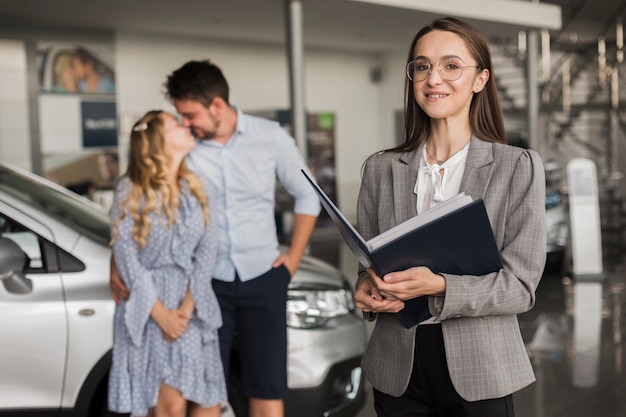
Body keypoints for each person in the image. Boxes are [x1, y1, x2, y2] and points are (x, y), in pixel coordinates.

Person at [354, 17, 546, 417]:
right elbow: (369, 263)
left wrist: (439, 286)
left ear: (480, 79)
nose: (433, 78)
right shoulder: (380, 168)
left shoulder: (517, 167)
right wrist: (367, 293)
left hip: (481, 369)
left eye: (451, 65)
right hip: (396, 370)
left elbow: (520, 287)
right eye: (422, 66)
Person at [111, 60, 321, 417]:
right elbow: (138, 210)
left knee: (266, 386)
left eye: (189, 115)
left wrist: (293, 260)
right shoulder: (184, 150)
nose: (186, 123)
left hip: (263, 276)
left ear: (217, 106)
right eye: (180, 118)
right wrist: (116, 264)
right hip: (202, 285)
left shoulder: (270, 136)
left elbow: (308, 195)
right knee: (203, 389)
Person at [108, 110, 226, 417]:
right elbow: (127, 258)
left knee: (208, 403)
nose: (186, 124)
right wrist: (161, 314)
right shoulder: (129, 190)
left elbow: (207, 253)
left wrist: (186, 309)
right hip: (149, 307)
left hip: (192, 304)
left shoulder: (198, 188)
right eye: (175, 122)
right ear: (155, 140)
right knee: (169, 407)